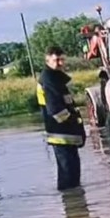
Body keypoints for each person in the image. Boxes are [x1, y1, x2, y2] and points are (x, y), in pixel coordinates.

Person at [37, 46, 85, 191]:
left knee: (73, 174)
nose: (60, 63)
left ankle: (76, 205)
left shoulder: (57, 78)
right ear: (47, 60)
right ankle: (72, 205)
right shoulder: (49, 79)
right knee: (67, 176)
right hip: (60, 133)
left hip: (66, 134)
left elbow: (68, 104)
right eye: (56, 60)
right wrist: (74, 124)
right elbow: (56, 110)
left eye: (61, 60)